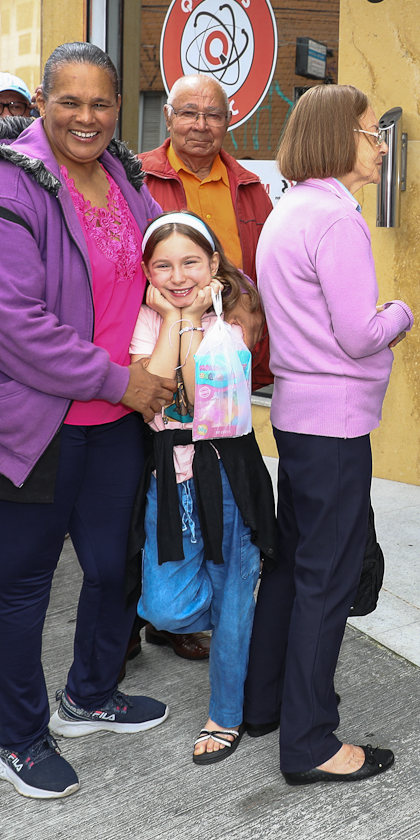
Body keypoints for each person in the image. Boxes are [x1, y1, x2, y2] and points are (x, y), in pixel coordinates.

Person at [0, 42, 175, 800]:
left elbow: (164, 258)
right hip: (19, 427)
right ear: (40, 104)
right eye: (69, 100)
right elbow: (10, 324)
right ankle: (20, 739)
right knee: (20, 588)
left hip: (111, 421)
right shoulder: (3, 186)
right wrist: (122, 380)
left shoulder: (125, 179)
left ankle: (91, 694)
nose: (87, 116)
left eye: (102, 102)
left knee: (111, 567)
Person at [247, 84, 413, 785]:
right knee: (327, 578)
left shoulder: (289, 208)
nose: (379, 144)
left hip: (298, 413)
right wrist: (400, 313)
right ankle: (312, 741)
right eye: (371, 132)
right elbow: (357, 332)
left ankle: (266, 703)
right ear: (338, 138)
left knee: (293, 567)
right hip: (336, 422)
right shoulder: (337, 220)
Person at [129, 213, 277, 762]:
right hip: (169, 476)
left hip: (226, 470)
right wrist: (175, 316)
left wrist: (192, 315)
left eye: (190, 262)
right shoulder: (147, 319)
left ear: (213, 263)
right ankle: (248, 631)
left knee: (235, 590)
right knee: (165, 606)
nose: (177, 274)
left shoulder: (234, 314)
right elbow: (157, 394)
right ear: (147, 271)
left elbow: (196, 396)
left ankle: (226, 714)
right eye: (163, 265)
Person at [139, 71, 275, 393]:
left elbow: (270, 274)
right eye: (188, 113)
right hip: (154, 358)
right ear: (168, 117)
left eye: (213, 115)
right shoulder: (137, 182)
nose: (201, 125)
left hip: (230, 367)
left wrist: (249, 301)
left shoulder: (251, 189)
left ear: (228, 121)